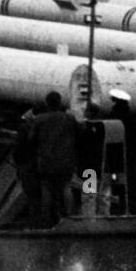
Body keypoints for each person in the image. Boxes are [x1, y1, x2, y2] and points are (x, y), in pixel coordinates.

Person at [30, 90, 78, 226]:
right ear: (60, 102)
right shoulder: (69, 118)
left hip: (46, 161)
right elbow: (78, 135)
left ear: (47, 103)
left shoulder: (39, 119)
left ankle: (46, 219)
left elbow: (31, 139)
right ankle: (68, 217)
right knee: (66, 187)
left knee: (47, 190)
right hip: (66, 161)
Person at [108, 88, 136, 214]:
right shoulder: (135, 118)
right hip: (133, 158)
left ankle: (118, 211)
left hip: (116, 158)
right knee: (134, 187)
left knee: (117, 187)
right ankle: (135, 211)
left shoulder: (112, 118)